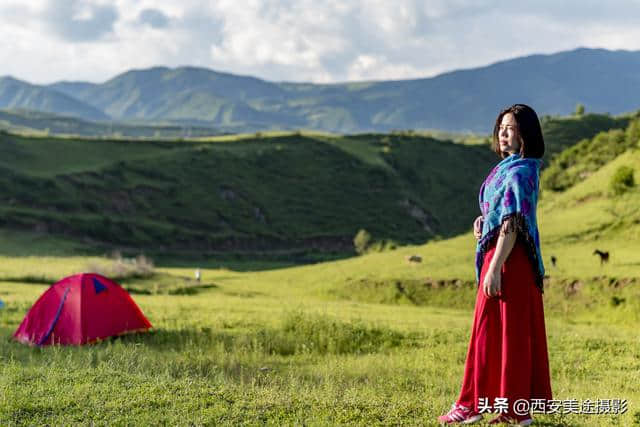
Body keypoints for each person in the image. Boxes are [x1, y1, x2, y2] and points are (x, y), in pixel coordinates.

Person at [438, 104, 552, 425]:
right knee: (497, 333)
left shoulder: (521, 171)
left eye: (511, 128)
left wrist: (494, 266)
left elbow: (513, 222)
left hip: (509, 261)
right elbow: (499, 214)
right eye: (501, 127)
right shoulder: (507, 168)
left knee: (499, 333)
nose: (503, 133)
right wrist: (482, 222)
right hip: (500, 254)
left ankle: (480, 406)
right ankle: (506, 409)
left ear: (525, 133)